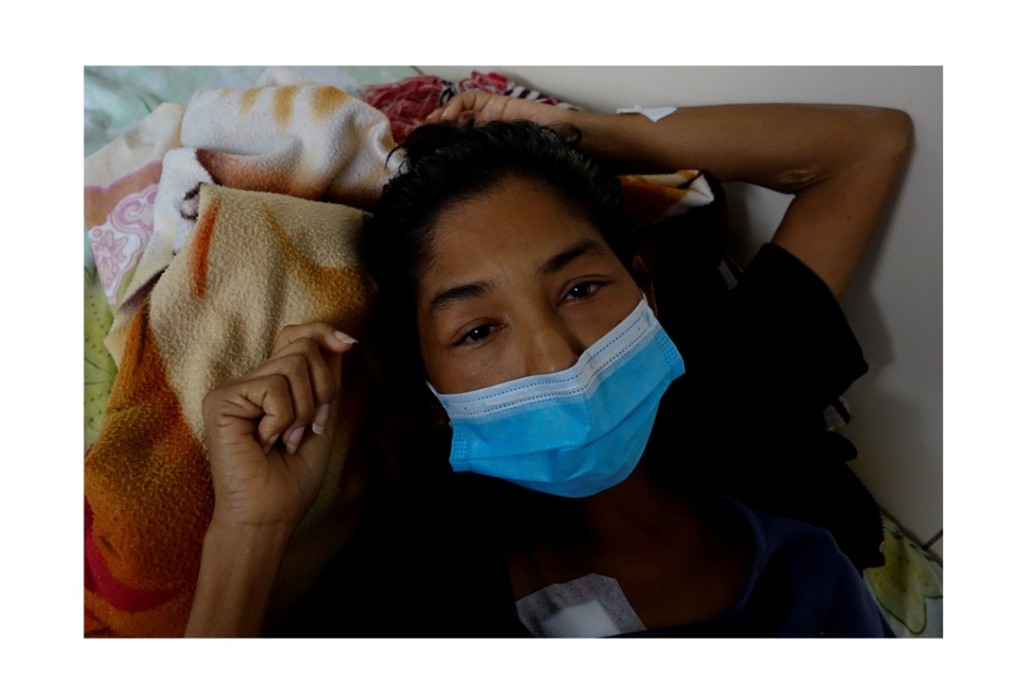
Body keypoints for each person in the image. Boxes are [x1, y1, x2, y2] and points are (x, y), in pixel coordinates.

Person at [187, 93, 913, 637]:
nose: (558, 357)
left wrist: (583, 135)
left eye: (581, 289)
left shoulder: (744, 388)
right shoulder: (421, 589)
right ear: (433, 391)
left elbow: (867, 146)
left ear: (646, 292)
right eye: (477, 331)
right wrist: (248, 534)